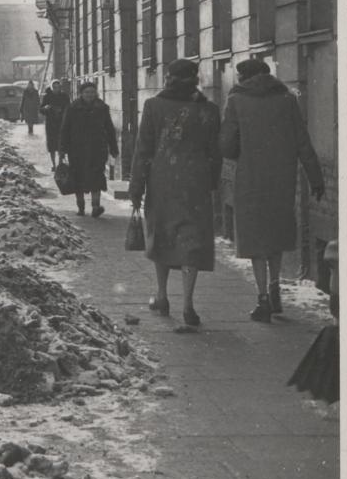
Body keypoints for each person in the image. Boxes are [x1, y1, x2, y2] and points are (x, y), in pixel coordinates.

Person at [219, 57, 326, 323]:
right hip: (282, 178)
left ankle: (263, 298)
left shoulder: (236, 101)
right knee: (275, 234)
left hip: (251, 178)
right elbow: (303, 142)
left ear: (244, 78)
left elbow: (227, 146)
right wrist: (316, 179)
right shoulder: (288, 100)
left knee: (255, 238)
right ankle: (276, 286)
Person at [128, 59, 221, 328]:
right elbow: (215, 153)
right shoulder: (209, 110)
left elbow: (143, 150)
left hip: (163, 182)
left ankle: (162, 296)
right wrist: (211, 182)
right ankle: (188, 305)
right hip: (196, 183)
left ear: (169, 78)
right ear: (195, 79)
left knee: (162, 235)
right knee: (191, 239)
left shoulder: (154, 106)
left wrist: (136, 187)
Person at [58, 79, 118, 217]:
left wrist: (113, 148)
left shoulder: (102, 108)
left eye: (92, 92)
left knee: (97, 177)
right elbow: (64, 130)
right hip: (77, 150)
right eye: (86, 92)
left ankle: (96, 207)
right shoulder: (72, 108)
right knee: (78, 178)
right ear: (81, 94)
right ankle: (81, 207)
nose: (90, 95)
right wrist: (62, 150)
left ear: (95, 93)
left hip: (97, 149)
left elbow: (109, 129)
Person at [39, 79, 70, 165]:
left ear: (60, 87)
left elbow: (68, 108)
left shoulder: (64, 96)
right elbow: (41, 109)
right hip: (50, 124)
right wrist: (45, 108)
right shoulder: (47, 96)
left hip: (62, 123)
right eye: (54, 87)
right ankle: (53, 164)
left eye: (58, 87)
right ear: (51, 87)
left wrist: (63, 111)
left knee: (61, 144)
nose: (56, 89)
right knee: (52, 145)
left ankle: (60, 162)